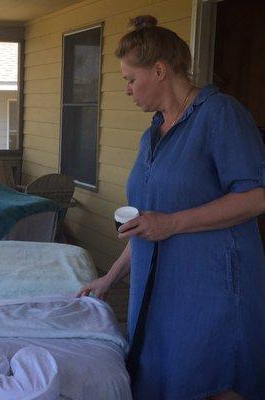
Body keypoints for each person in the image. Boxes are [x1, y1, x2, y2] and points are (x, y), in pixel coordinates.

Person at [76, 15, 265, 400]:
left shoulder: (220, 115)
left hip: (211, 291)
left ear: (159, 70)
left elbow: (256, 196)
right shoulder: (153, 134)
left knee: (211, 382)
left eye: (130, 79)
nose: (127, 89)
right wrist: (110, 278)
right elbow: (148, 223)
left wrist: (172, 223)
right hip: (158, 293)